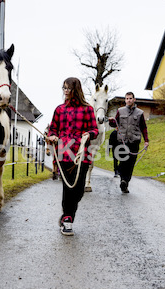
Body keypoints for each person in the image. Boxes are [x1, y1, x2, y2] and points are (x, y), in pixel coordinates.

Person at [46, 77, 99, 236]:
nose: (65, 91)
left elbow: (94, 130)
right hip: (63, 154)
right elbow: (52, 129)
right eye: (64, 88)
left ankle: (66, 215)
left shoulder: (87, 109)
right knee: (68, 188)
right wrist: (52, 136)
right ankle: (68, 219)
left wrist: (88, 134)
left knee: (79, 190)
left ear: (76, 90)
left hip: (81, 154)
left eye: (68, 88)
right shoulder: (59, 109)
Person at [108, 92, 149, 193]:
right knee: (123, 162)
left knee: (130, 164)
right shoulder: (120, 111)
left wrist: (146, 140)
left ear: (134, 100)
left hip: (134, 142)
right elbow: (115, 124)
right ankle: (123, 180)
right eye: (127, 99)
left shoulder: (140, 113)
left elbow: (143, 128)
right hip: (122, 141)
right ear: (125, 100)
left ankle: (126, 181)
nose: (128, 100)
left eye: (130, 98)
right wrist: (110, 121)